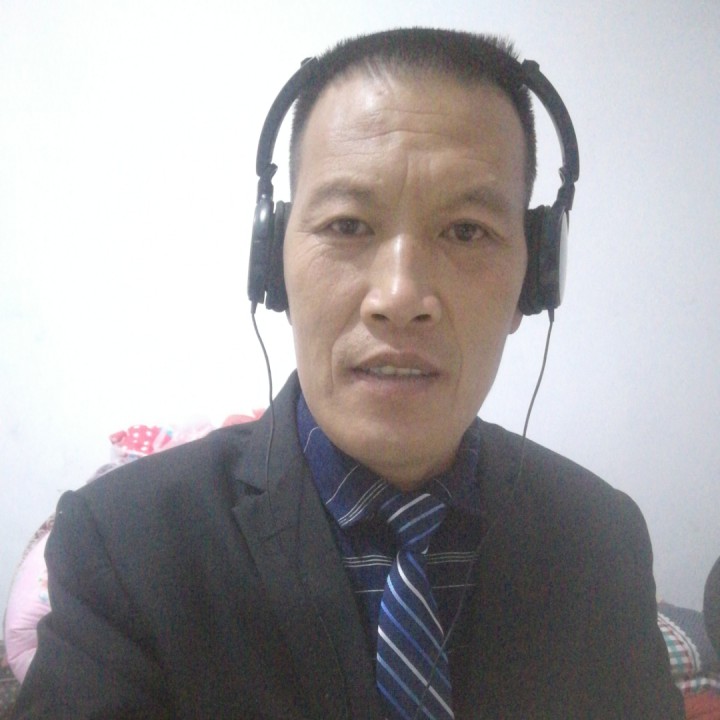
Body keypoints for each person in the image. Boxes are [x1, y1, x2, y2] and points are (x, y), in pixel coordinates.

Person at [13, 28, 683, 719]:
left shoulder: (600, 539)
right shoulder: (124, 544)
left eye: (466, 231)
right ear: (273, 266)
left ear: (534, 279)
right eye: (347, 226)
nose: (400, 297)